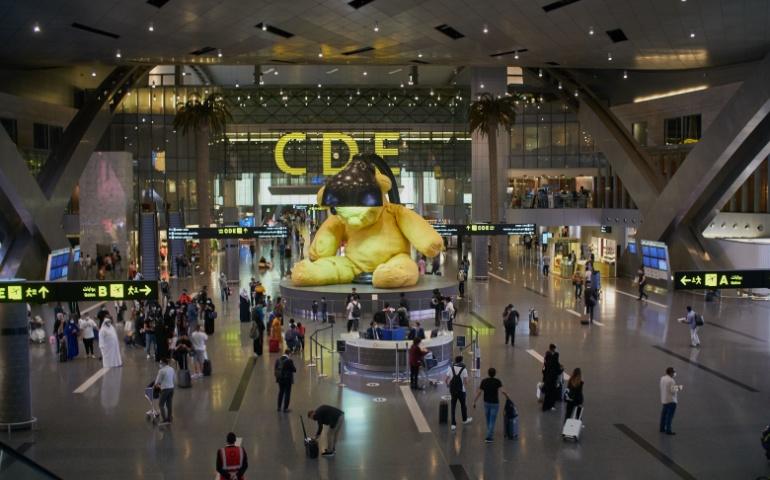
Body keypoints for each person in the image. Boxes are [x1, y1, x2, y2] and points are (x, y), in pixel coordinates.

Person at [472, 367, 510, 443]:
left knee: (488, 419)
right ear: (495, 373)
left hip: (486, 403)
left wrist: (474, 401)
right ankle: (489, 437)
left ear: (488, 373)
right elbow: (502, 391)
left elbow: (479, 392)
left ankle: (490, 431)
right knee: (492, 420)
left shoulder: (484, 381)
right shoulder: (497, 381)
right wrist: (507, 397)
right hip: (495, 403)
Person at [445, 355, 472, 431]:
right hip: (461, 390)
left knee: (453, 406)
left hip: (453, 390)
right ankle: (464, 419)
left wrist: (448, 385)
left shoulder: (450, 368)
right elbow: (466, 382)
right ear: (461, 361)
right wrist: (468, 380)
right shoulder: (464, 369)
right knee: (463, 405)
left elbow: (446, 379)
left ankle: (453, 424)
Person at [659, 367, 683, 435]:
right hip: (671, 401)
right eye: (674, 372)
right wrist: (679, 388)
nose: (674, 373)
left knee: (663, 415)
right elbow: (673, 391)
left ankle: (662, 428)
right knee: (670, 416)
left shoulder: (662, 378)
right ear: (671, 373)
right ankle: (668, 430)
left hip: (664, 399)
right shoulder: (671, 380)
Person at [541, 344, 563, 411]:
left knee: (547, 393)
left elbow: (544, 370)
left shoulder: (547, 359)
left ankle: (545, 406)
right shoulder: (554, 362)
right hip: (553, 380)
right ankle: (551, 406)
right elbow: (558, 371)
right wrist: (561, 369)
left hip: (547, 379)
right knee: (552, 393)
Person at [154, 357, 175, 425]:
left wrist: (158, 386)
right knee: (169, 404)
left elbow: (157, 382)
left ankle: (165, 420)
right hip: (171, 388)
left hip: (165, 389)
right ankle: (169, 418)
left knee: (161, 404)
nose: (160, 364)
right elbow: (174, 378)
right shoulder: (172, 369)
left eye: (160, 363)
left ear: (163, 363)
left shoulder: (161, 371)